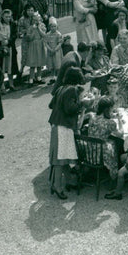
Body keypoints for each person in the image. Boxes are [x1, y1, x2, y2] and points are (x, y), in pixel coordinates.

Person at [47, 67, 85, 199]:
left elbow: (51, 105)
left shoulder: (61, 88)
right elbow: (70, 109)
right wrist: (81, 103)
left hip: (57, 125)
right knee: (60, 159)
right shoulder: (72, 90)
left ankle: (68, 181)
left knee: (64, 156)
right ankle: (57, 187)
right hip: (63, 127)